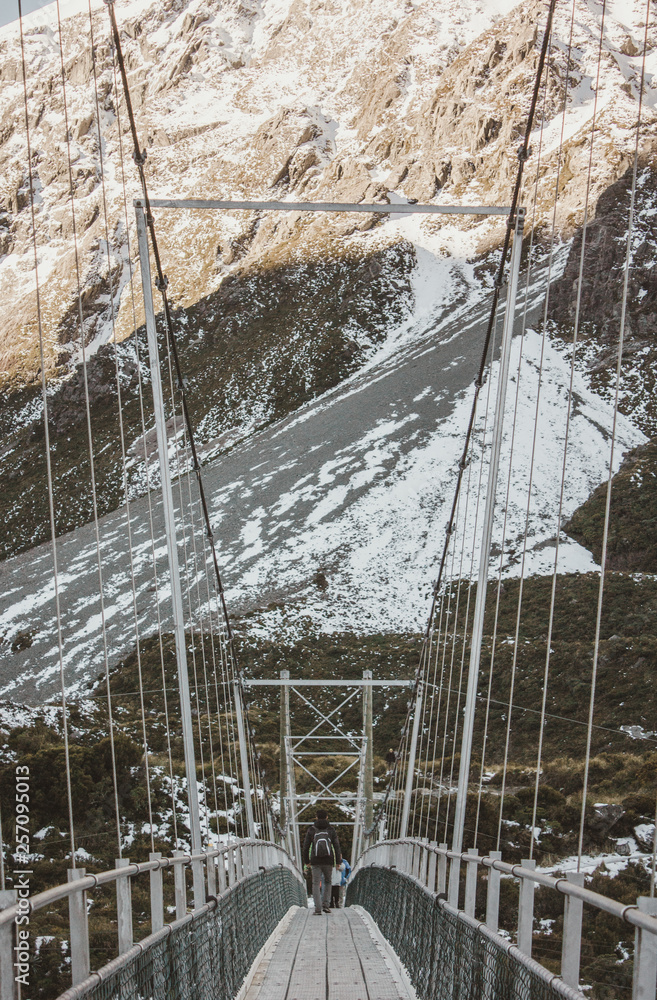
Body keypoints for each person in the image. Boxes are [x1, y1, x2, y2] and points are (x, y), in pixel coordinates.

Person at [302, 809, 342, 915]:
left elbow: (305, 847)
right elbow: (337, 847)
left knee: (315, 883)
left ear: (316, 817)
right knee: (328, 882)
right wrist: (338, 861)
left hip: (315, 860)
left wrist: (306, 861)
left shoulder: (311, 830)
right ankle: (326, 906)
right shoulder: (331, 830)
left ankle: (318, 909)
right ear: (327, 817)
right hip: (328, 860)